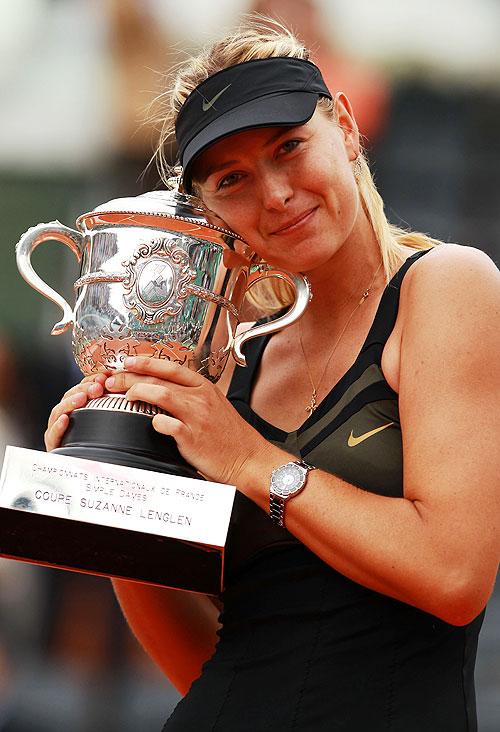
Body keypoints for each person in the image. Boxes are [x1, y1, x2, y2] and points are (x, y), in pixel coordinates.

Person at [44, 18, 499, 732]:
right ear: (211, 213)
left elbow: (454, 577)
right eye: (234, 179)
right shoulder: (229, 364)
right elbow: (208, 657)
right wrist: (115, 497)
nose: (277, 193)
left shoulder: (447, 286)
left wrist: (251, 460)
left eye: (290, 148)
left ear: (345, 129)